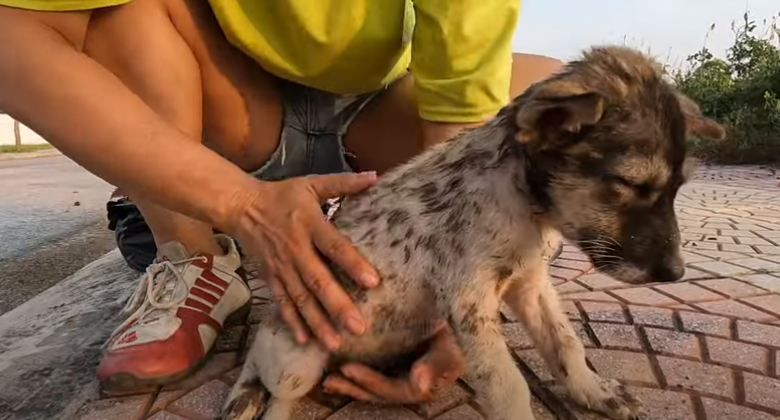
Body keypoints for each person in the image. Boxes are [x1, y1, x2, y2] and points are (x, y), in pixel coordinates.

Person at [0, 0, 564, 404]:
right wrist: (240, 202)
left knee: (562, 97)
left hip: (376, 106)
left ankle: (332, 213)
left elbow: (464, 88)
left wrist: (457, 281)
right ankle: (191, 252)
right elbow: (14, 32)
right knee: (116, 11)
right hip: (234, 108)